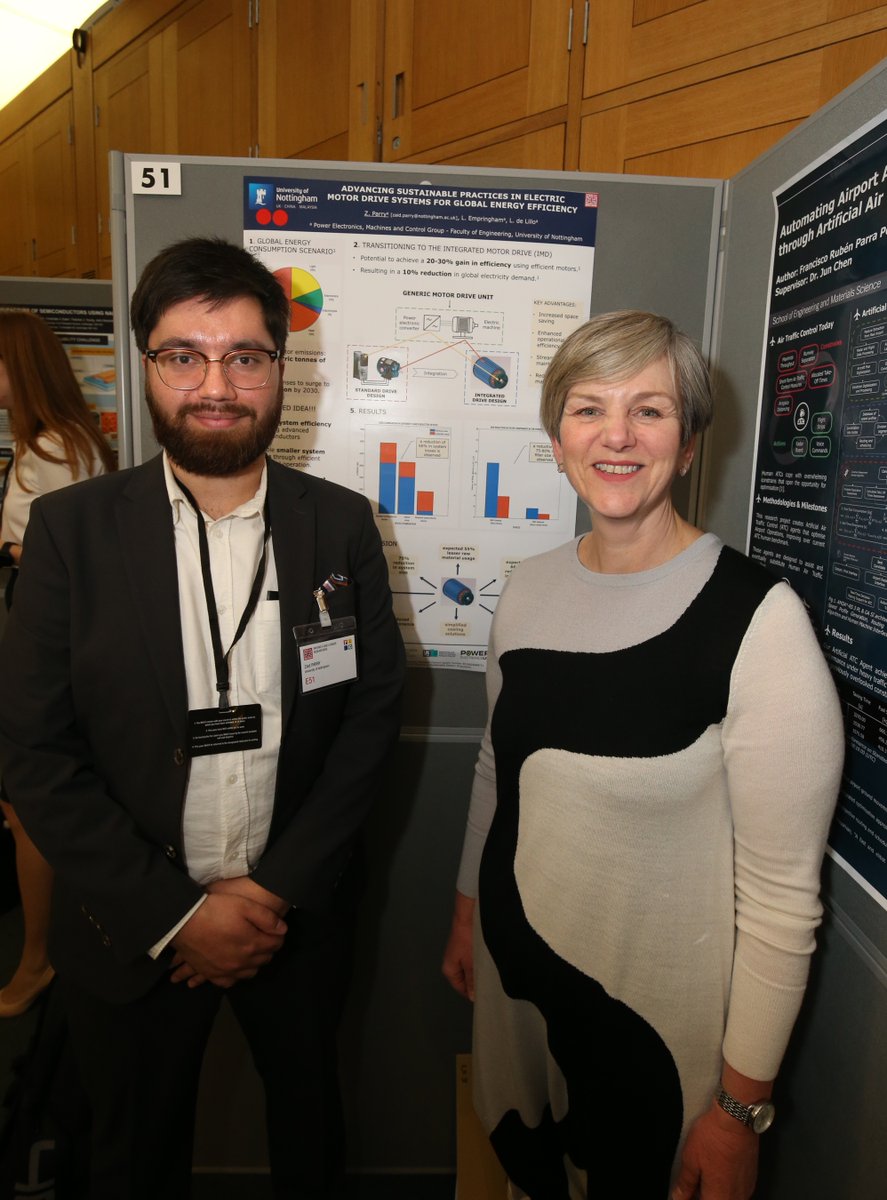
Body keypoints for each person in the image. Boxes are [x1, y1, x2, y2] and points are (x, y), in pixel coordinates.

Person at [0, 237, 405, 1199]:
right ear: (147, 364)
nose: (215, 386)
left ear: (280, 369)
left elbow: (369, 714)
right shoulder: (71, 531)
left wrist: (270, 893)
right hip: (129, 926)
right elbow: (35, 751)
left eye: (244, 357)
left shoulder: (340, 523)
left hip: (293, 919)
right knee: (132, 1160)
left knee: (310, 1135)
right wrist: (177, 915)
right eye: (184, 355)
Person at [442, 310, 845, 1200]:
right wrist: (468, 912)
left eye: (649, 411)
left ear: (689, 443)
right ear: (558, 441)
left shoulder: (758, 621)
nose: (616, 436)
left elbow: (782, 901)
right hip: (515, 992)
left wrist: (738, 1111)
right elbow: (496, 769)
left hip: (650, 1033)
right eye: (588, 409)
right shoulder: (527, 588)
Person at [0, 309, 115, 1020]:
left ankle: (38, 958)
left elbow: (57, 555)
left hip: (47, 630)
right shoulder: (63, 438)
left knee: (30, 802)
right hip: (58, 628)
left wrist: (7, 550)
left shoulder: (51, 446)